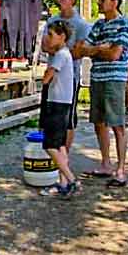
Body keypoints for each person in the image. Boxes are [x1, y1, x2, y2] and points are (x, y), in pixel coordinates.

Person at [73, 0, 128, 187]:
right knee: (98, 122)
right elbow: (81, 49)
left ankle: (121, 169)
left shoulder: (125, 23)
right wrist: (101, 48)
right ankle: (106, 163)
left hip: (115, 79)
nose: (98, 3)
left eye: (102, 0)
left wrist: (95, 51)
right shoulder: (99, 24)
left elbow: (115, 54)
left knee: (117, 124)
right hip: (97, 78)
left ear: (114, 2)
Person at [45, 0, 91, 152]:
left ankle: (65, 153)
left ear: (72, 0)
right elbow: (45, 46)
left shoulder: (81, 24)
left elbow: (78, 52)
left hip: (70, 77)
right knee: (51, 114)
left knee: (68, 116)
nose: (59, 0)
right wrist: (59, 49)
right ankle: (53, 151)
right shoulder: (52, 21)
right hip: (52, 72)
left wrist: (60, 50)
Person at [38, 19, 79, 198]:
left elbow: (47, 77)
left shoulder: (61, 55)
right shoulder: (61, 53)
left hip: (57, 103)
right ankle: (63, 182)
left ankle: (71, 179)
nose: (48, 38)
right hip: (61, 102)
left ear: (62, 37)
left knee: (49, 144)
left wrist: (44, 77)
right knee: (60, 144)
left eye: (51, 35)